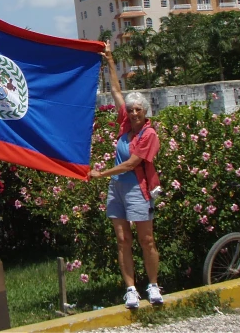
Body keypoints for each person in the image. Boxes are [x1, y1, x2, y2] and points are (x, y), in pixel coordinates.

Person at [88, 41, 163, 309]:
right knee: (123, 240)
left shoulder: (149, 134)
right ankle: (131, 289)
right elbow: (117, 91)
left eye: (137, 110)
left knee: (146, 239)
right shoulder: (124, 123)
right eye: (130, 110)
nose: (132, 113)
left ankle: (153, 285)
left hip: (137, 188)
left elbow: (131, 163)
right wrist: (109, 59)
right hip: (117, 189)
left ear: (145, 112)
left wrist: (102, 173)